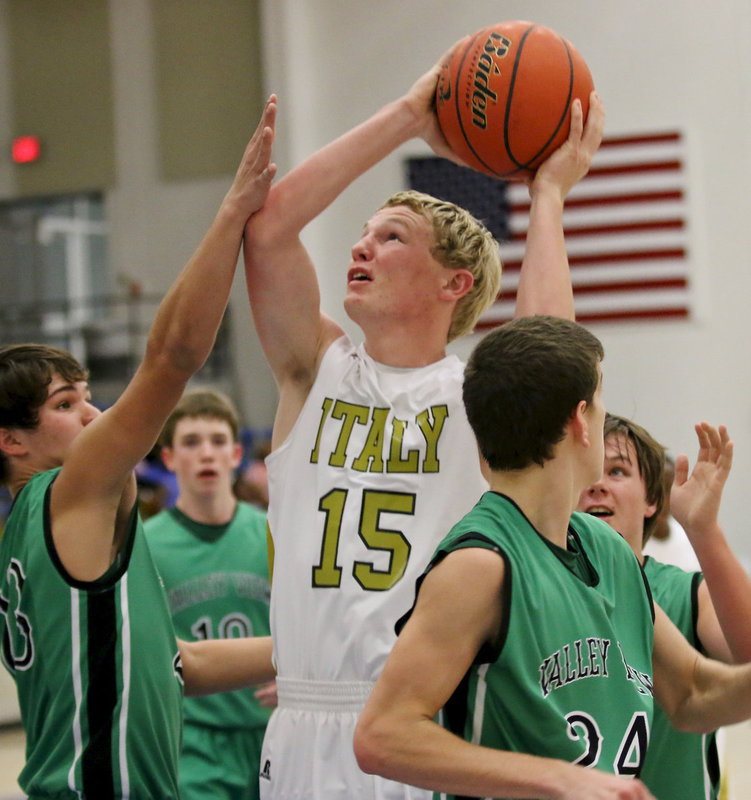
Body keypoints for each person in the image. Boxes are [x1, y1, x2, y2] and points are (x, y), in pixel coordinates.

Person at [242, 40, 605, 800]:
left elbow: (552, 348)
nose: (360, 246)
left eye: (390, 236)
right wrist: (409, 115)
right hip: (302, 721)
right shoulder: (316, 370)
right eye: (365, 232)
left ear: (454, 283)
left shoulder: (473, 395)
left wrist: (547, 196)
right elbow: (270, 225)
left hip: (420, 728)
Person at [0, 98, 278, 800]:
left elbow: (175, 663)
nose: (93, 413)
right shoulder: (67, 493)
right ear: (12, 441)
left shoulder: (26, 535)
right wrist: (231, 214)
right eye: (65, 405)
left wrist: (341, 651)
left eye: (87, 392)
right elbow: (174, 355)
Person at [354, 315, 751, 800]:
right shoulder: (481, 563)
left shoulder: (607, 548)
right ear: (579, 420)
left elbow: (692, 692)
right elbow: (382, 735)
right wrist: (560, 778)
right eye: (602, 401)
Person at [578, 413, 751, 799]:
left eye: (617, 471)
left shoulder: (684, 592)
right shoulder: (533, 587)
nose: (598, 486)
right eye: (586, 472)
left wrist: (704, 529)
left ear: (652, 500)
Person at [144, 388, 274, 800]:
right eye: (191, 442)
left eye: (218, 442)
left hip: (273, 731)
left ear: (236, 455)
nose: (206, 454)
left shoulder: (274, 533)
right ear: (168, 458)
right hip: (195, 744)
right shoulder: (144, 546)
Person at [642, 454, 701, 572]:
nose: (662, 501)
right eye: (655, 491)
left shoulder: (689, 537)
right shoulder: (629, 543)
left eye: (669, 490)